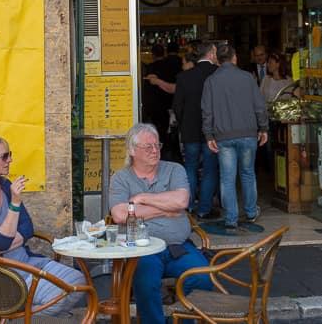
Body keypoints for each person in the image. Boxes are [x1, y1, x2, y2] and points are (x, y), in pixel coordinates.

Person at [0, 135, 86, 316]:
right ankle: (24, 317)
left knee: (79, 282)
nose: (10, 160)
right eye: (4, 156)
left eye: (9, 154)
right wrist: (15, 204)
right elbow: (1, 241)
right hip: (3, 276)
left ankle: (23, 316)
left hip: (26, 262)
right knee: (63, 292)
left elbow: (27, 227)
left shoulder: (5, 185)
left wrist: (1, 245)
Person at [109, 123, 213, 324]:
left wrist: (142, 198)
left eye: (157, 145)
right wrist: (166, 208)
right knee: (146, 284)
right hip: (143, 248)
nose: (155, 150)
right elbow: (121, 215)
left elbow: (181, 201)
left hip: (178, 246)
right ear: (132, 151)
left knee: (202, 278)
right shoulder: (121, 178)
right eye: (148, 147)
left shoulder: (174, 169)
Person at [201, 44, 268, 230]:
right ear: (235, 58)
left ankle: (231, 218)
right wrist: (263, 128)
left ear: (217, 60)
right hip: (248, 134)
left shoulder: (211, 81)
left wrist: (208, 134)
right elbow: (259, 106)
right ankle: (251, 212)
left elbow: (207, 111)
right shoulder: (247, 78)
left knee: (227, 178)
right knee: (247, 173)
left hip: (223, 136)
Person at [172, 41, 219, 219]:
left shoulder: (184, 77)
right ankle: (205, 208)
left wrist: (184, 122)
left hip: (190, 129)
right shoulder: (217, 74)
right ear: (210, 54)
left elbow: (177, 106)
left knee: (190, 167)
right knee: (210, 169)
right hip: (213, 131)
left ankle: (189, 205)